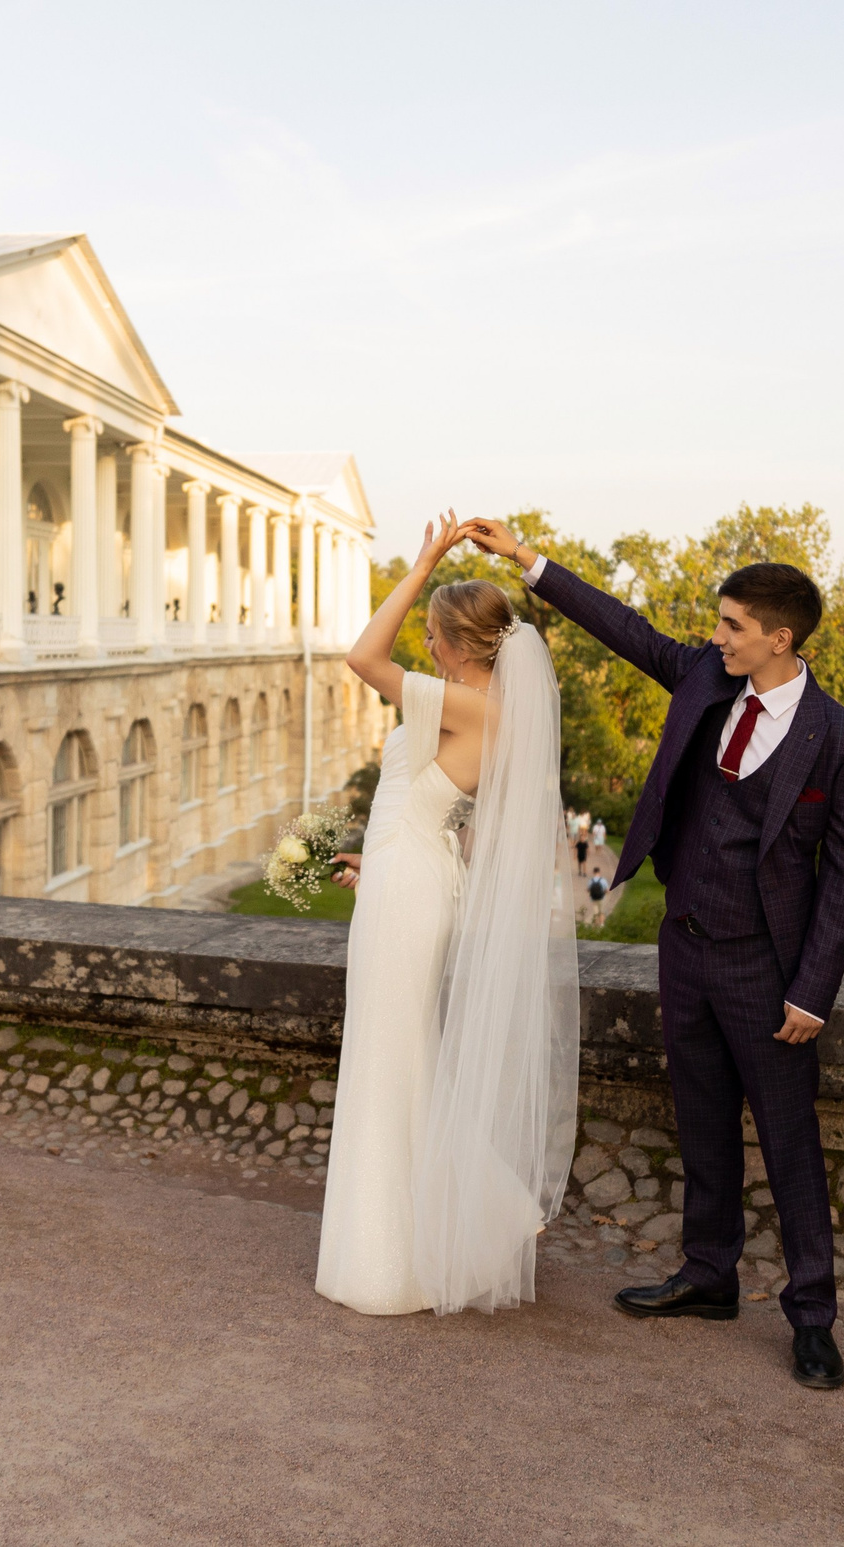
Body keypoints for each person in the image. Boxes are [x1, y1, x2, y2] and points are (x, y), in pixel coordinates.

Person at [466, 516, 844, 1391]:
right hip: (683, 943)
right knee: (700, 1121)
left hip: (769, 970)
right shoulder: (701, 674)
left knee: (792, 1143)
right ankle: (708, 1273)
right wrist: (526, 559)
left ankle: (813, 1318)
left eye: (732, 626)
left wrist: (814, 991)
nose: (715, 636)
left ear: (780, 638)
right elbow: (622, 626)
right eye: (718, 624)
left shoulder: (840, 739)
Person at [316, 510, 577, 1317]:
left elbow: (361, 654)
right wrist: (383, 856)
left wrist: (426, 557)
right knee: (401, 1051)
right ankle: (470, 1215)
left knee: (390, 1058)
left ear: (457, 644)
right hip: (405, 879)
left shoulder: (471, 704)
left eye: (430, 636)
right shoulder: (490, 709)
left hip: (410, 891)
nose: (422, 648)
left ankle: (403, 1252)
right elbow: (437, 812)